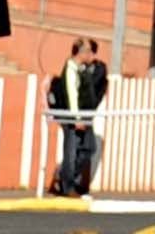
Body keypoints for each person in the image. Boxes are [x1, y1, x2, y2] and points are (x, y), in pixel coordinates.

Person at [45, 38, 108, 198]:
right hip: (73, 118)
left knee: (89, 148)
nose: (90, 54)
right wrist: (76, 118)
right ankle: (67, 186)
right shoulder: (71, 70)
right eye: (87, 51)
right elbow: (72, 95)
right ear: (80, 53)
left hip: (84, 117)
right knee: (71, 152)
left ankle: (64, 178)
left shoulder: (83, 69)